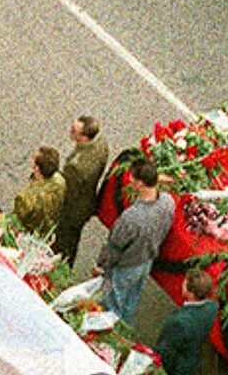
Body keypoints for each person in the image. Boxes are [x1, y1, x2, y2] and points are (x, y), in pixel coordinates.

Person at [96, 158, 174, 328]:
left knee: (112, 304)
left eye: (133, 178)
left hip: (126, 266)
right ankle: (125, 330)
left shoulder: (131, 217)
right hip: (146, 262)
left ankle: (107, 335)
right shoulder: (168, 202)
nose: (129, 180)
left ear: (139, 184)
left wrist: (101, 266)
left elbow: (114, 247)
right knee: (131, 301)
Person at [54, 117, 108, 263]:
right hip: (87, 201)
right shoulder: (100, 144)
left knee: (63, 242)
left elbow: (68, 192)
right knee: (73, 239)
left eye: (74, 131)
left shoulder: (77, 167)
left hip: (73, 210)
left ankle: (61, 266)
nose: (70, 132)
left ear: (84, 137)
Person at [13, 147, 66, 235]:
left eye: (34, 158)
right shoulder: (60, 182)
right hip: (48, 229)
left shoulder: (25, 198)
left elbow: (16, 220)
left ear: (37, 168)